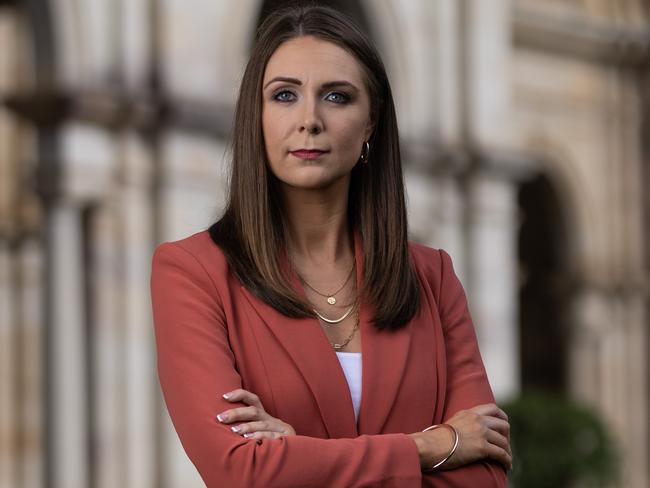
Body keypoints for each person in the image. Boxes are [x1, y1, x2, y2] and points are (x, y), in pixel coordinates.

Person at [150, 4, 512, 487]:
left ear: (371, 124)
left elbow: (484, 476)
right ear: (254, 118)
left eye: (337, 97)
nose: (309, 119)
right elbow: (241, 471)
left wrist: (302, 456)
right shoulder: (193, 272)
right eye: (284, 95)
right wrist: (429, 446)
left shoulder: (433, 278)